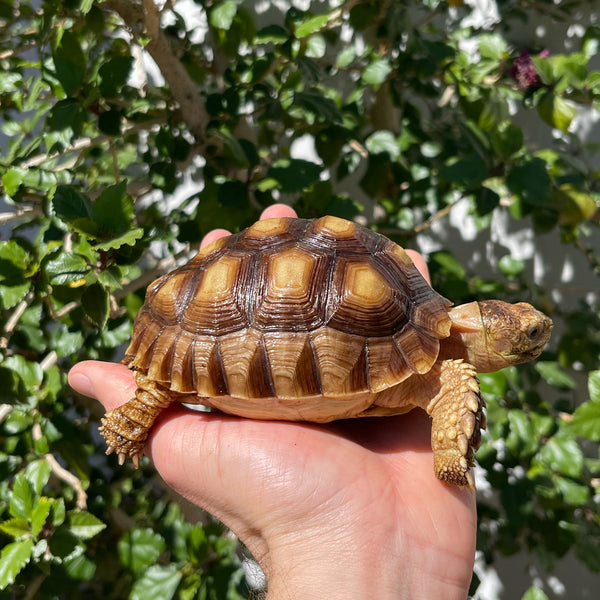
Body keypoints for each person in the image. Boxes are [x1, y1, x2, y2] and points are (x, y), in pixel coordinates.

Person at [69, 204, 476, 600]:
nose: (536, 340)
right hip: (212, 317)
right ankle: (154, 392)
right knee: (158, 392)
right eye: (526, 336)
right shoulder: (444, 371)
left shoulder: (433, 365)